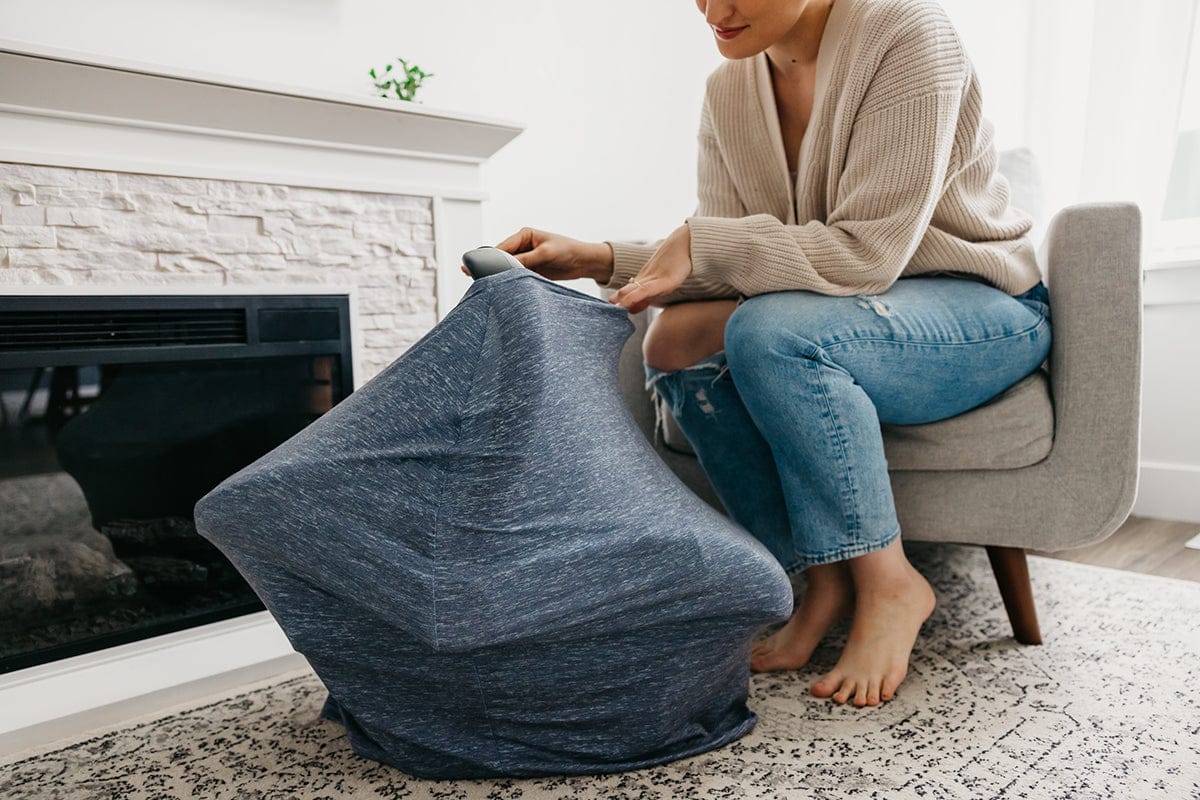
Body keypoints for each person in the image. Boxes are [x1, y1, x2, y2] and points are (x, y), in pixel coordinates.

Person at [463, 0, 1051, 708]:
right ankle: (819, 576)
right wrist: (600, 258)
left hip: (981, 311)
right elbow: (736, 259)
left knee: (770, 331)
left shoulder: (909, 33)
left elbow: (867, 254)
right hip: (836, 307)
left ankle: (891, 583)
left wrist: (701, 241)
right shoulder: (730, 87)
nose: (714, 10)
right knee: (673, 340)